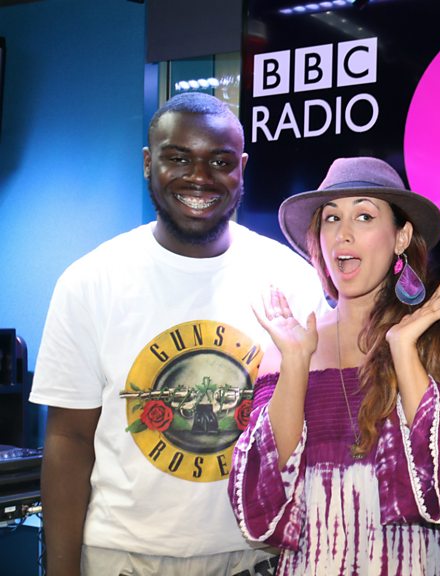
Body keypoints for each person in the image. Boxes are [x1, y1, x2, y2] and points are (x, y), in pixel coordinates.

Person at [30, 92, 328, 575]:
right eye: (178, 158)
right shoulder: (89, 281)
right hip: (123, 558)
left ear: (242, 170)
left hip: (254, 557)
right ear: (149, 163)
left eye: (220, 161)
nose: (199, 176)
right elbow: (69, 438)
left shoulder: (293, 280)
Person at [228, 157, 440, 575]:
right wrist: (296, 363)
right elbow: (265, 490)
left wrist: (403, 349)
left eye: (364, 216)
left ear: (401, 237)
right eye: (332, 218)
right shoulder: (288, 346)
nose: (344, 233)